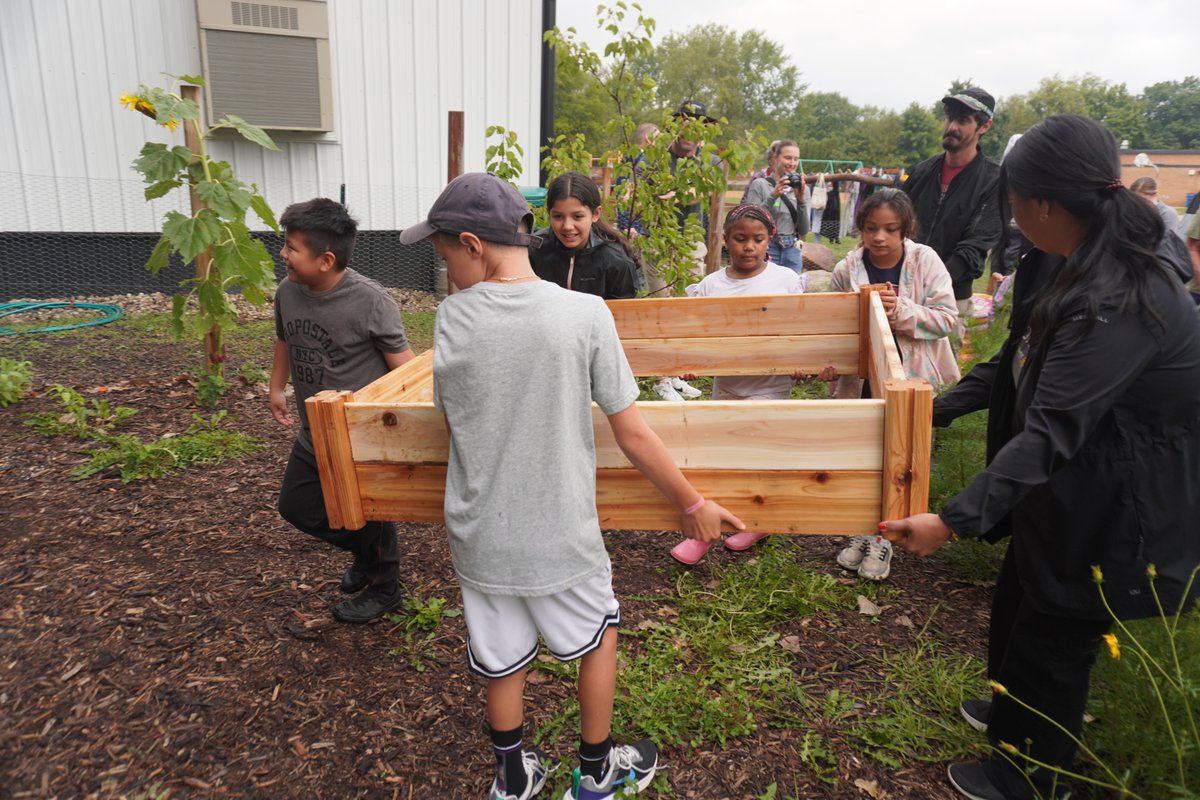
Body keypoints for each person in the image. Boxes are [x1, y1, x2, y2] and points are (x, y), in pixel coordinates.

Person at [881, 115, 1200, 800]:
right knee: (1022, 596)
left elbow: (1054, 430)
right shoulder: (1072, 260)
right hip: (1068, 486)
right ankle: (1012, 713)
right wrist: (929, 410)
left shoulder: (1123, 294)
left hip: (1116, 502)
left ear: (1046, 204)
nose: (1015, 220)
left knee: (1059, 624)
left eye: (1018, 204)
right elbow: (1018, 359)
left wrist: (953, 519)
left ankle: (1028, 774)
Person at [399, 173, 745, 800]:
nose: (444, 263)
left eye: (443, 251)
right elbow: (633, 434)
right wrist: (691, 503)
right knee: (597, 637)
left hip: (479, 534)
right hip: (559, 531)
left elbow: (452, 422)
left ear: (472, 244)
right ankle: (595, 772)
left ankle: (512, 779)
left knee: (502, 657)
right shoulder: (584, 313)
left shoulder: (451, 317)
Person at [270, 198, 415, 623]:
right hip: (315, 427)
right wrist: (277, 386)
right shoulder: (288, 292)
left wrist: (401, 426)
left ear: (325, 259)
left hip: (359, 433)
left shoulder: (370, 301)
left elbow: (404, 368)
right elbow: (285, 339)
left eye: (292, 247)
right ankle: (366, 554)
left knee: (369, 509)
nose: (283, 254)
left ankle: (384, 586)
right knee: (296, 506)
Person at [668, 204, 822, 566]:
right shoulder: (711, 285)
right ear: (726, 241)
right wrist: (690, 364)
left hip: (770, 386)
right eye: (740, 239)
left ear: (770, 239)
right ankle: (707, 531)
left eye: (757, 239)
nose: (749, 247)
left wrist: (802, 363)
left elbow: (800, 331)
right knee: (720, 456)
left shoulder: (784, 280)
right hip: (727, 386)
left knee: (760, 456)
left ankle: (758, 520)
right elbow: (694, 332)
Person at [828, 189, 961, 581]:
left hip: (912, 377)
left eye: (890, 229)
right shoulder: (848, 268)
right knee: (866, 453)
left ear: (906, 229)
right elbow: (836, 322)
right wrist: (831, 363)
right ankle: (861, 530)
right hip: (864, 379)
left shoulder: (925, 261)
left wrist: (900, 310)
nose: (879, 238)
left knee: (901, 458)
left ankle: (887, 538)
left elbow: (946, 319)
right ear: (861, 228)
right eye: (871, 228)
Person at [900, 87, 1003, 331]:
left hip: (950, 300)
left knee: (939, 370)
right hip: (901, 293)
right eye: (949, 118)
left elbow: (974, 247)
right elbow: (895, 224)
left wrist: (928, 283)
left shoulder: (994, 181)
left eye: (963, 120)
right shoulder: (923, 171)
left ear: (984, 126)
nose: (952, 126)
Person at [529, 171, 641, 300]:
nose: (567, 226)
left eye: (577, 216)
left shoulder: (616, 262)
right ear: (549, 213)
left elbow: (623, 315)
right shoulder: (533, 251)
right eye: (558, 216)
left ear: (596, 214)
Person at [743, 139, 809, 273]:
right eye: (787, 158)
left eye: (796, 159)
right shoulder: (760, 184)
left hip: (792, 248)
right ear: (775, 158)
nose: (792, 163)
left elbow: (803, 230)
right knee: (765, 291)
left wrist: (801, 201)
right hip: (766, 246)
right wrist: (773, 196)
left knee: (791, 292)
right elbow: (750, 221)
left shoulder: (802, 189)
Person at [1129, 176, 1184, 240]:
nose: (1138, 203)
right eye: (1134, 200)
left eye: (1142, 200)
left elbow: (1168, 241)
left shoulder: (1167, 213)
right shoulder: (1135, 212)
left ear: (1154, 193)